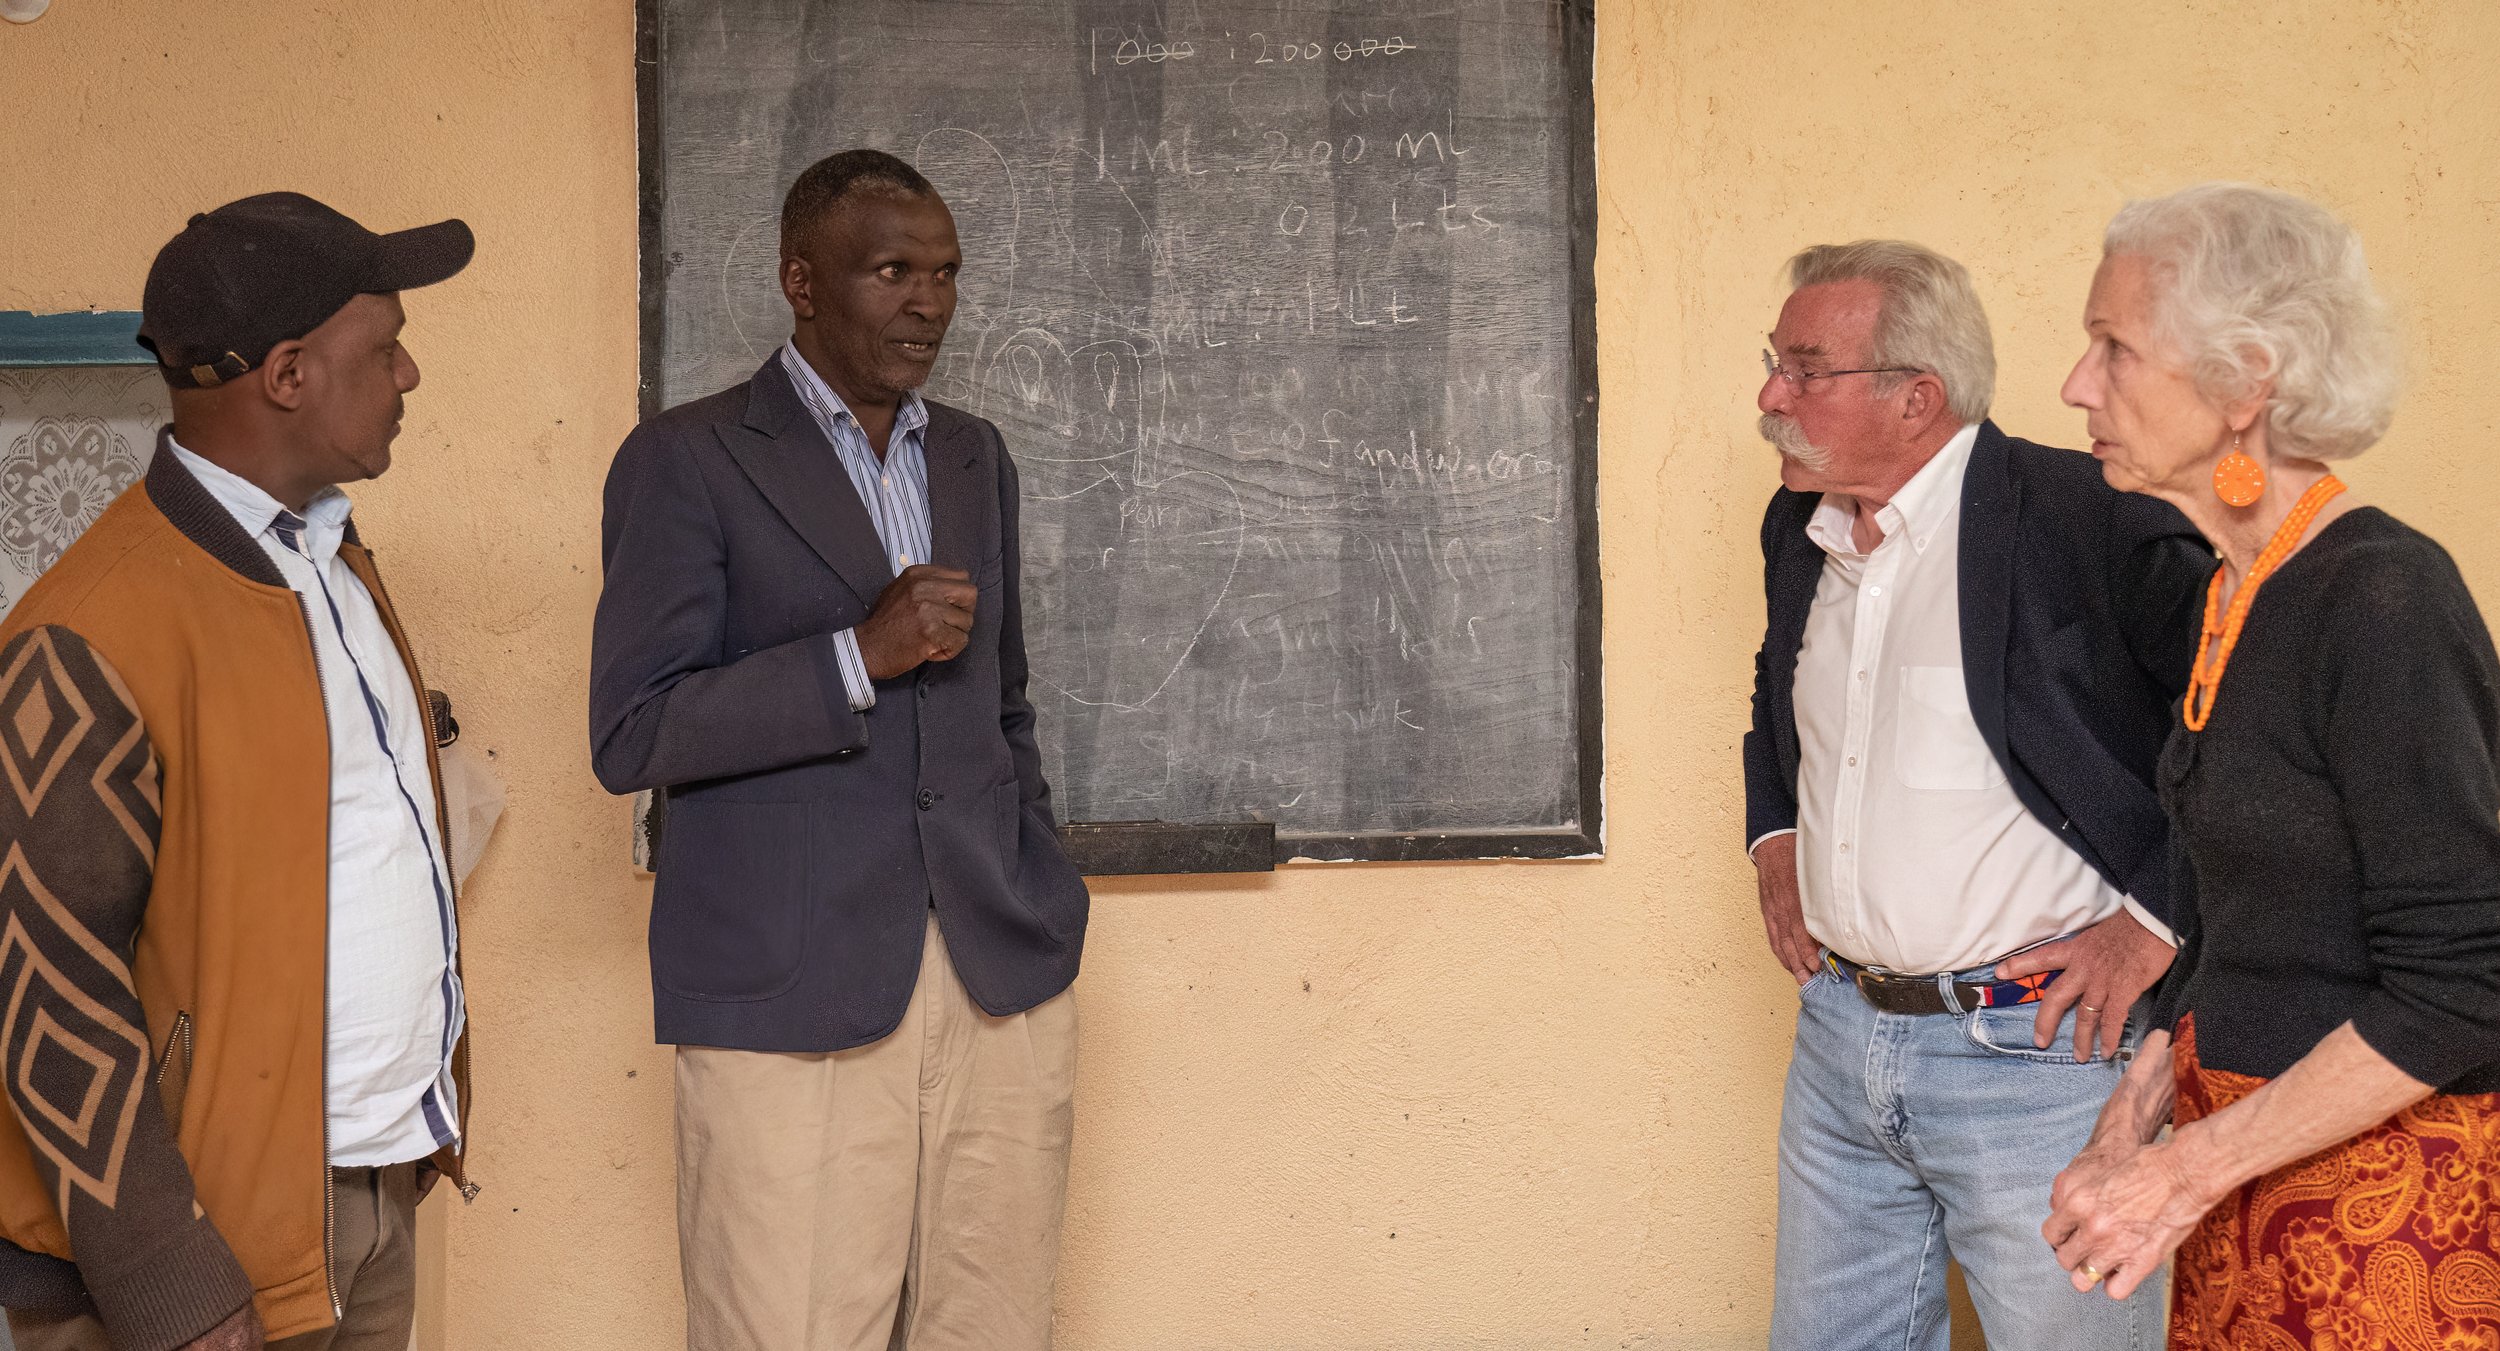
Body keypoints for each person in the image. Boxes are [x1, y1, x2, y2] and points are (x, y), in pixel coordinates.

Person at [589, 149, 1089, 1351]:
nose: (928, 301)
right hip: (788, 984)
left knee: (995, 1326)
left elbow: (1001, 709)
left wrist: (1036, 882)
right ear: (799, 281)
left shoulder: (973, 456)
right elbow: (632, 730)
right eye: (891, 270)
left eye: (945, 274)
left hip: (991, 973)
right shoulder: (689, 457)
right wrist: (854, 656)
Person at [0, 193, 478, 1350]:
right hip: (196, 1258)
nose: (408, 373)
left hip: (356, 1194)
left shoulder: (327, 558)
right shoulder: (93, 626)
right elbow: (43, 988)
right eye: (383, 346)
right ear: (287, 374)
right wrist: (173, 1278)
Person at [2044, 182, 2500, 1347]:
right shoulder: (2230, 590)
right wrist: (2129, 1126)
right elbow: (2230, 932)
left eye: (2114, 347)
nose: (2076, 385)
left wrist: (2185, 1172)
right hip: (2246, 1194)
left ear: (2246, 380)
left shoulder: (2384, 598)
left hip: (2383, 1217)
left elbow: (2465, 982)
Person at [1743, 239, 2212, 1349]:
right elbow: (1778, 692)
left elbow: (2246, 729)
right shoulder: (1798, 526)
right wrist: (1776, 830)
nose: (1770, 397)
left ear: (1918, 397)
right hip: (1840, 1048)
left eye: (1805, 369)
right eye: (1774, 362)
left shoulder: (2089, 515)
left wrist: (2155, 920)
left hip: (2040, 1061)